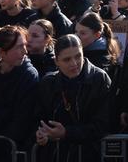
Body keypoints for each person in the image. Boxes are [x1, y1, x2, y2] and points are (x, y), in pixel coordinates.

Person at [33, 34, 112, 162]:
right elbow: (38, 118)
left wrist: (67, 133)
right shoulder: (48, 83)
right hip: (55, 154)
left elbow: (104, 124)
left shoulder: (99, 79)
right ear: (56, 61)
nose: (74, 63)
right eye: (67, 59)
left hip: (90, 154)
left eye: (78, 56)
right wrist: (40, 134)